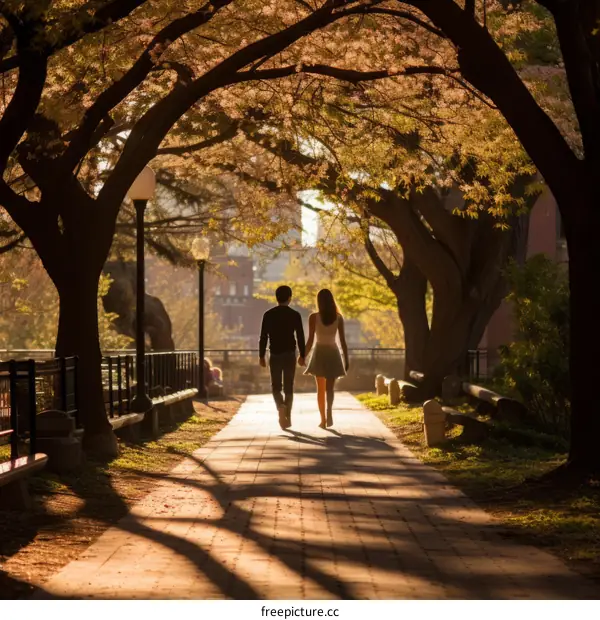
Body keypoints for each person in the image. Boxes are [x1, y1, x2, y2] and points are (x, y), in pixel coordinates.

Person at [259, 285, 306, 430]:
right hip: (290, 354)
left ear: (276, 298)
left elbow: (263, 337)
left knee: (276, 387)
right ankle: (288, 417)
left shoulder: (268, 314)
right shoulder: (295, 315)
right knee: (289, 387)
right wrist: (303, 355)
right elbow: (300, 337)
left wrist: (261, 355)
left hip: (274, 354)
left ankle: (280, 406)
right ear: (290, 298)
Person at [304, 288, 349, 429]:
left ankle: (323, 420)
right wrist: (346, 360)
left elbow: (310, 340)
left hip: (319, 353)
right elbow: (342, 341)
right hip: (333, 353)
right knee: (330, 389)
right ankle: (329, 412)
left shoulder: (313, 317)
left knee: (320, 390)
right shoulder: (338, 318)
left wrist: (302, 356)